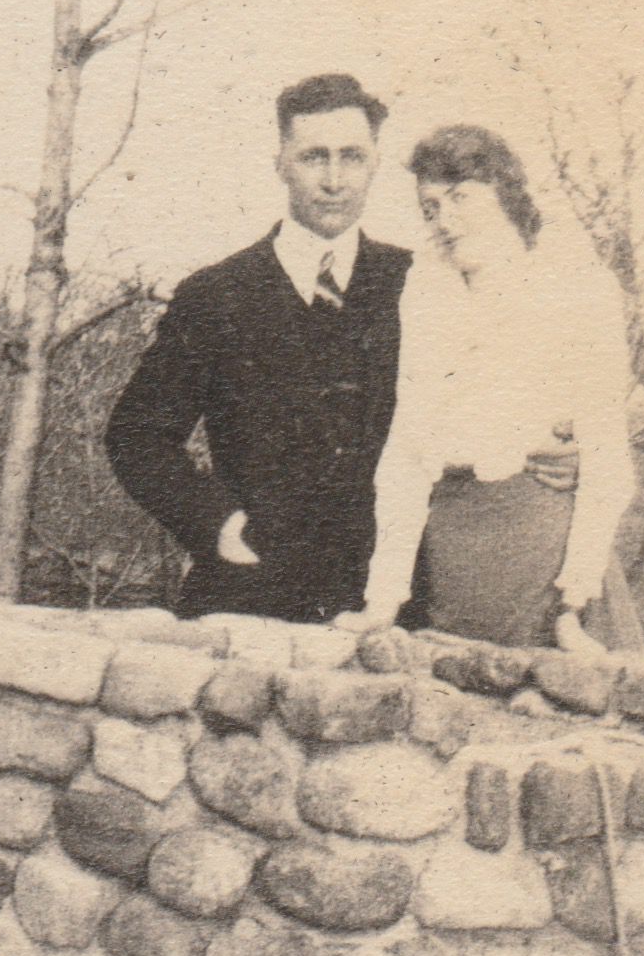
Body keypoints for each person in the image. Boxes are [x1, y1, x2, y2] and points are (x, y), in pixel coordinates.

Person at [104, 73, 413, 623]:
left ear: (375, 165)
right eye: (314, 157)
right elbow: (136, 434)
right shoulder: (216, 294)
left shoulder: (415, 283)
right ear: (281, 165)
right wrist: (217, 524)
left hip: (388, 608)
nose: (334, 180)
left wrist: (552, 454)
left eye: (352, 157)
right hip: (250, 598)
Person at [350, 124, 638, 652]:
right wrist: (383, 598)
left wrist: (574, 604)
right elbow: (407, 453)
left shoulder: (578, 282)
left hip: (543, 545)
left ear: (504, 192)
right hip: (455, 549)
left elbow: (607, 460)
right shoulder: (426, 290)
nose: (445, 219)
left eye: (461, 197)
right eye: (431, 207)